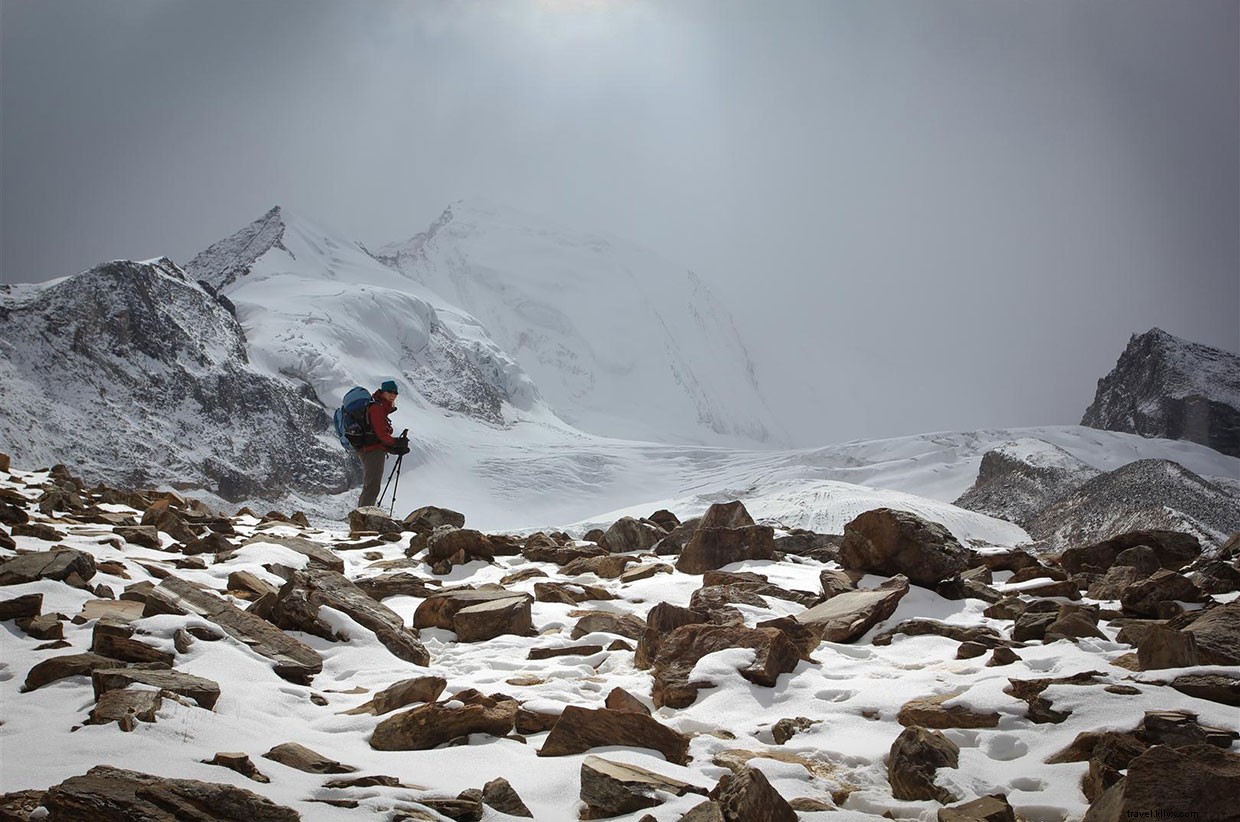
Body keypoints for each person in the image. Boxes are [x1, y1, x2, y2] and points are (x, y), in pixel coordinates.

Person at [357, 379, 409, 508]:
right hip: (372, 451)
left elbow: (377, 435)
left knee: (371, 485)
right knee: (372, 486)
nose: (393, 395)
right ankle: (363, 519)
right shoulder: (377, 408)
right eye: (390, 392)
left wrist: (393, 446)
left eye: (395, 393)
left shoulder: (379, 407)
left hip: (371, 449)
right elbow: (381, 434)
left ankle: (362, 516)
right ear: (383, 392)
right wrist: (396, 442)